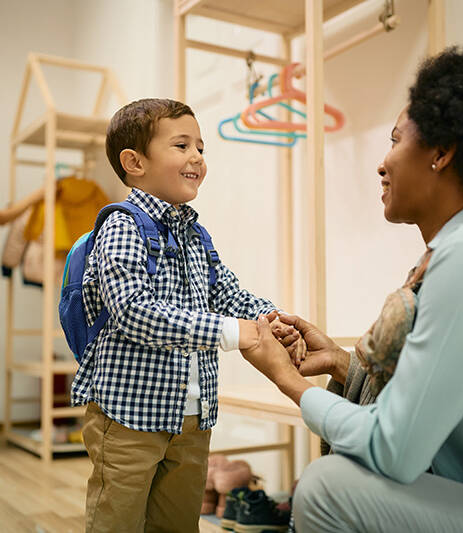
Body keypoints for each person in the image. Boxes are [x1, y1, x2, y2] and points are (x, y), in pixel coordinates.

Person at [240, 46, 463, 532]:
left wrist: (286, 380)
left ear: (441, 153)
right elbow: (430, 397)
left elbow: (393, 448)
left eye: (396, 140)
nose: (383, 163)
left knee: (325, 488)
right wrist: (339, 361)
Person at [70, 98, 302, 533]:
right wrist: (236, 332)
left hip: (193, 415)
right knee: (115, 519)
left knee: (178, 522)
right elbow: (134, 311)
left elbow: (225, 290)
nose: (196, 156)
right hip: (127, 415)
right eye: (181, 145)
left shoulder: (194, 232)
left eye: (201, 147)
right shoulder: (123, 226)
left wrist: (273, 317)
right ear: (134, 162)